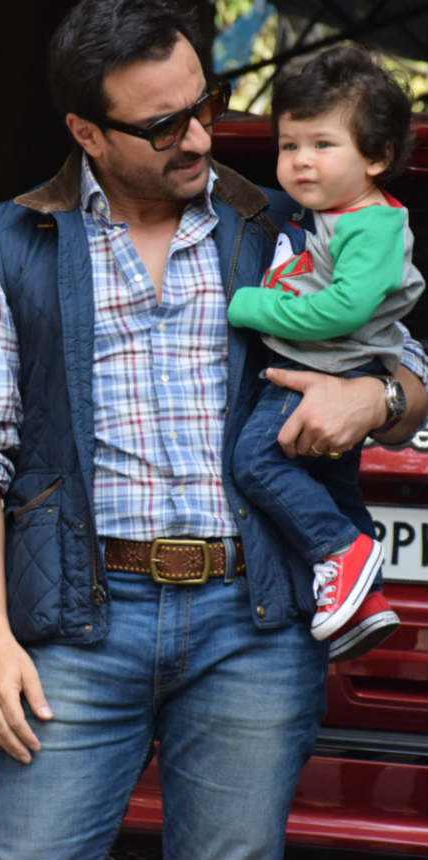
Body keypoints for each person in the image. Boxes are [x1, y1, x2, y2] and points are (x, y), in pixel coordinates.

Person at [0, 2, 428, 858]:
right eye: (164, 126)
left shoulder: (280, 226)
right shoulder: (6, 245)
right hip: (79, 626)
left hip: (253, 622)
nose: (199, 138)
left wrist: (376, 400)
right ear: (87, 130)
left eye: (205, 103)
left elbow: (406, 365)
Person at [227, 45, 423, 661]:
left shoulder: (371, 225)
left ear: (379, 156)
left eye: (322, 145)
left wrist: (247, 305)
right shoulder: (334, 216)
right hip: (330, 365)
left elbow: (342, 310)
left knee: (256, 462)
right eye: (289, 146)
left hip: (325, 369)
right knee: (334, 486)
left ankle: (342, 554)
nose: (301, 161)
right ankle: (362, 602)